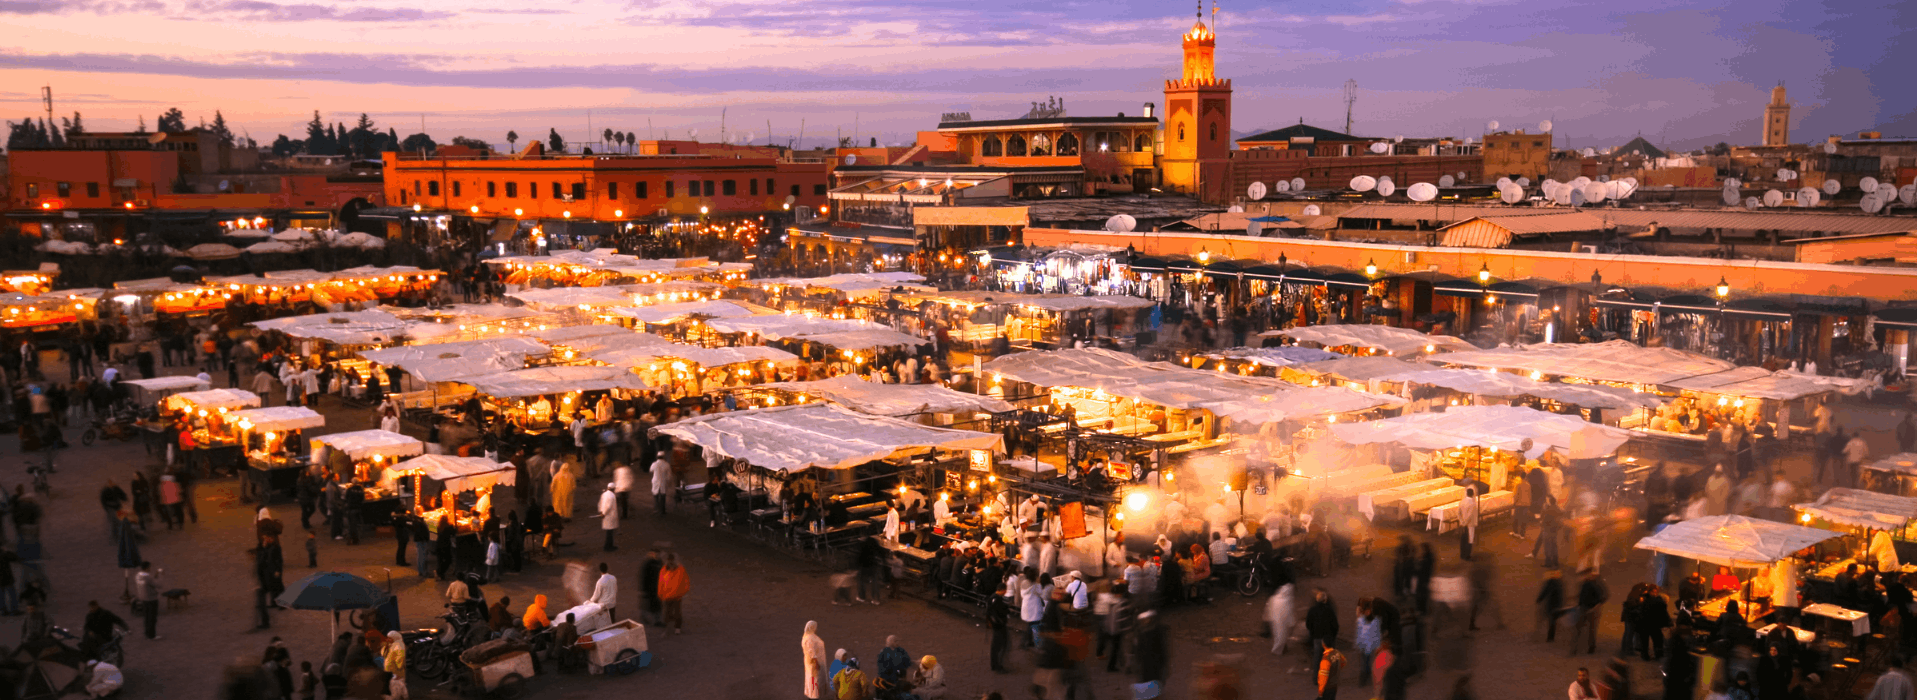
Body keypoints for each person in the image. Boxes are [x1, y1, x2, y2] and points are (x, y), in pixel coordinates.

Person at [1572, 569, 1607, 655]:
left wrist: (1596, 606)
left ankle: (1591, 647)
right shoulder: (1585, 583)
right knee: (1579, 629)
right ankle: (1575, 648)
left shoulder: (1596, 584)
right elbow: (1582, 595)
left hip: (1591, 610)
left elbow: (1603, 597)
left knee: (1590, 630)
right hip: (1583, 608)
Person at [658, 552, 688, 634]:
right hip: (677, 595)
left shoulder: (664, 569)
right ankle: (677, 628)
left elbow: (661, 582)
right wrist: (683, 592)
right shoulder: (680, 569)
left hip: (668, 595)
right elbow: (686, 582)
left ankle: (667, 628)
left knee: (668, 612)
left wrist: (660, 594)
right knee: (677, 612)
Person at [1307, 588, 1340, 658]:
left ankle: (1317, 668)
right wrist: (1333, 636)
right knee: (1329, 658)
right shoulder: (1329, 610)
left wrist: (1312, 634)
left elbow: (1309, 624)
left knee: (1317, 658)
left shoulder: (1313, 609)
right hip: (1328, 637)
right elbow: (1335, 625)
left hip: (1317, 637)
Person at [986, 586, 1011, 673]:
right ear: (1002, 590)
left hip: (995, 625)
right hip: (999, 625)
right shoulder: (998, 600)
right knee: (1000, 646)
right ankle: (998, 665)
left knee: (996, 646)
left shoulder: (992, 598)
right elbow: (999, 612)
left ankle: (995, 664)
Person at [134, 561, 161, 640]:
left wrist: (154, 576)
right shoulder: (148, 577)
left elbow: (149, 582)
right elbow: (158, 585)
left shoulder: (138, 575)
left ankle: (147, 632)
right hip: (151, 599)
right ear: (147, 567)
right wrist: (160, 575)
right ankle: (152, 635)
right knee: (152, 618)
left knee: (147, 617)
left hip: (143, 598)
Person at [802, 621, 828, 700]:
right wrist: (816, 663)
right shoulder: (810, 638)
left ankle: (813, 695)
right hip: (814, 663)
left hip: (811, 662)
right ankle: (814, 696)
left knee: (812, 679)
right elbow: (811, 652)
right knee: (814, 679)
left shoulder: (808, 636)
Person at [1268, 583, 1296, 654]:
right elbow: (1289, 613)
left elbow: (1269, 608)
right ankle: (1278, 650)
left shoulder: (1274, 598)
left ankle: (1279, 648)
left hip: (1275, 620)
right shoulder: (1287, 601)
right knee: (1282, 636)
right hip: (1283, 621)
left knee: (1277, 635)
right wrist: (1291, 623)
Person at [640, 548, 665, 626]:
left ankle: (654, 620)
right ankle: (654, 620)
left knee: (655, 605)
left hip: (657, 587)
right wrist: (644, 589)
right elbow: (644, 577)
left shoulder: (659, 562)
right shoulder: (648, 564)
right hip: (650, 588)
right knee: (652, 605)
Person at [382, 630, 408, 700]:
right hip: (390, 670)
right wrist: (386, 646)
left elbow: (400, 659)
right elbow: (383, 654)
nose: (387, 639)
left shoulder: (399, 646)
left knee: (396, 687)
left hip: (396, 671)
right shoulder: (391, 644)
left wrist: (398, 671)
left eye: (389, 638)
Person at [597, 483, 619, 552]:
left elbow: (600, 503)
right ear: (613, 488)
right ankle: (608, 547)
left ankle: (609, 546)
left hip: (606, 516)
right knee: (610, 533)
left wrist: (601, 512)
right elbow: (608, 507)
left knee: (609, 532)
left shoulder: (604, 494)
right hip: (610, 516)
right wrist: (604, 513)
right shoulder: (612, 496)